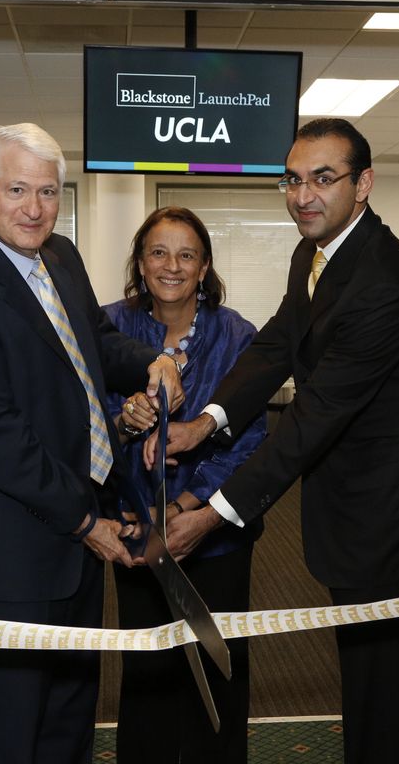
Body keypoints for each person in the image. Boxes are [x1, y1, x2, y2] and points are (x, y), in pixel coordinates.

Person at [148, 118, 399, 764]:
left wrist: (213, 515)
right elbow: (276, 345)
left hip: (392, 525)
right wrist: (203, 422)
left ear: (364, 184)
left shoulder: (383, 282)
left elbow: (312, 420)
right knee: (372, 701)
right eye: (293, 180)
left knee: (379, 704)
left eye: (323, 178)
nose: (304, 195)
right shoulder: (316, 253)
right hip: (355, 515)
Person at [0, 123, 183, 764]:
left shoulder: (59, 256)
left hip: (74, 536)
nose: (34, 208)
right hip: (15, 547)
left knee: (70, 714)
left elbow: (93, 341)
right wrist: (86, 519)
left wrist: (153, 358)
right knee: (13, 730)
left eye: (48, 191)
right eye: (16, 189)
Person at [104, 206, 266, 764]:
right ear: (139, 262)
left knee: (218, 672)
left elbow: (252, 439)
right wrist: (126, 422)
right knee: (147, 673)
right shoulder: (109, 329)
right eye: (158, 252)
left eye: (187, 254)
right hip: (136, 533)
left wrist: (190, 504)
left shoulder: (237, 334)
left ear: (205, 267)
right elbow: (83, 433)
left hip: (214, 531)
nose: (171, 266)